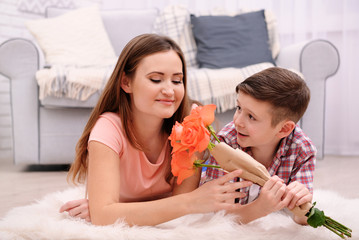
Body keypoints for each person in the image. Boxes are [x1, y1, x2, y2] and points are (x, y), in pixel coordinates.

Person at [59, 33, 253, 226]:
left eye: (177, 81)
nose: (169, 91)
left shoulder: (190, 124)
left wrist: (117, 209)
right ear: (126, 83)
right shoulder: (107, 129)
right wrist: (106, 210)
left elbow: (182, 207)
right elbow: (104, 216)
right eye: (156, 79)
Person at [201, 67, 316, 225]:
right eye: (239, 108)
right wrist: (260, 207)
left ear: (284, 129)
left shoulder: (302, 150)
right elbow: (217, 213)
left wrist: (303, 206)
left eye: (251, 117)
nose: (238, 121)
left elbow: (301, 219)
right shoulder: (225, 142)